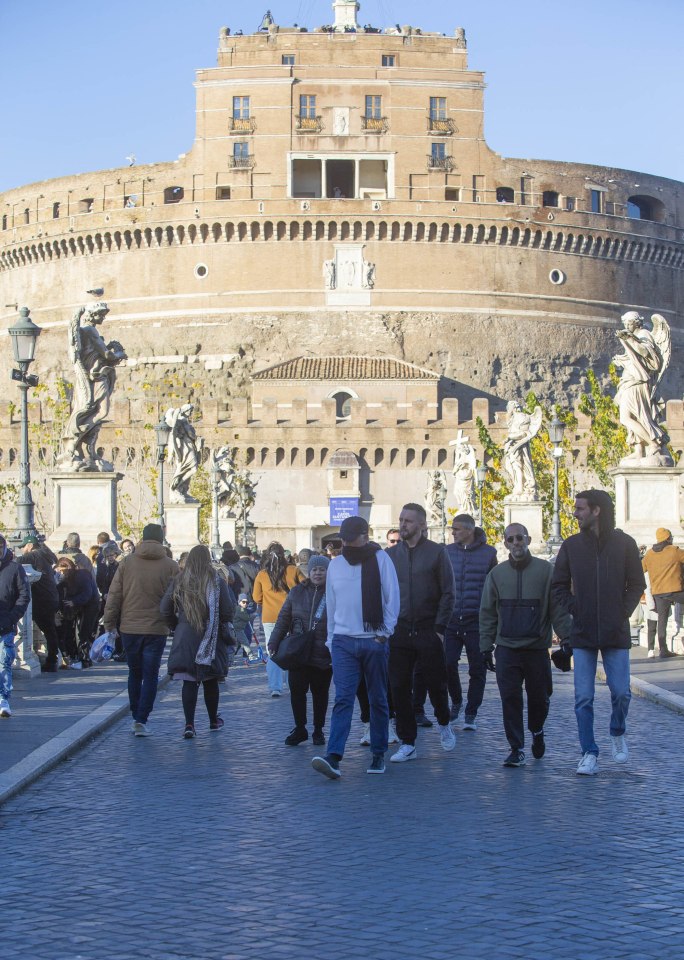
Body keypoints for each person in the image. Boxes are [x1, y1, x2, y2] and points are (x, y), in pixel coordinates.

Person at [552, 490, 645, 775]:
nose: (575, 513)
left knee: (622, 693)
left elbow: (637, 584)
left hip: (615, 630)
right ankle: (589, 752)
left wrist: (622, 612)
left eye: (580, 508)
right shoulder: (571, 545)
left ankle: (617, 731)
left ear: (596, 511)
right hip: (582, 631)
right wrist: (575, 609)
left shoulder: (625, 544)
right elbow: (558, 585)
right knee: (583, 698)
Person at [312, 515, 400, 778]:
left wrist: (384, 633)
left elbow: (392, 597)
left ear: (365, 536)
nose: (347, 544)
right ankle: (334, 756)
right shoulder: (335, 565)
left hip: (373, 640)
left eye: (352, 539)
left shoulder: (381, 559)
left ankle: (378, 754)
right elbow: (332, 604)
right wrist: (331, 640)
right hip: (343, 642)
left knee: (378, 699)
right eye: (344, 540)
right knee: (342, 699)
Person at [479, 523, 572, 767]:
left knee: (539, 698)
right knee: (510, 699)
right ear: (505, 543)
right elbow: (488, 613)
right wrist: (485, 647)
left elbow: (557, 609)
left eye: (520, 538)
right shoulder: (496, 575)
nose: (516, 542)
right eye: (511, 539)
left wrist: (567, 638)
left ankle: (537, 731)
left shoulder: (545, 571)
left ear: (528, 539)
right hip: (507, 649)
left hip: (536, 649)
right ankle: (516, 747)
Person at [386, 503, 456, 762]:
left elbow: (449, 592)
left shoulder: (437, 553)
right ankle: (408, 741)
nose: (403, 524)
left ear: (422, 525)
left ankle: (444, 722)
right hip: (400, 629)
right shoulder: (391, 555)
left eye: (408, 521)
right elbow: (385, 593)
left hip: (429, 628)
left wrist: (439, 628)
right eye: (401, 519)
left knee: (437, 683)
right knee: (398, 687)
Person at [103, 523, 178, 736]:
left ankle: (136, 712)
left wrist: (109, 624)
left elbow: (114, 595)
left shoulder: (127, 563)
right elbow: (177, 598)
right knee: (151, 674)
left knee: (134, 672)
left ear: (142, 539)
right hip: (157, 627)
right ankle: (142, 718)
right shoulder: (170, 565)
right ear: (161, 539)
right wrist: (174, 623)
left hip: (130, 627)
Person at [163, 545, 236, 738]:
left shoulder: (180, 580)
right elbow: (228, 611)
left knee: (189, 681)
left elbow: (164, 608)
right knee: (210, 680)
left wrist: (176, 625)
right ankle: (213, 720)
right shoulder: (217, 581)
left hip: (185, 635)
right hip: (211, 636)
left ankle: (189, 724)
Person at [270, 554, 333, 746]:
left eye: (322, 569)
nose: (318, 573)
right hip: (298, 651)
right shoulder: (296, 592)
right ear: (309, 571)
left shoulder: (334, 592)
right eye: (314, 569)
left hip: (323, 652)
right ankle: (300, 728)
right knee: (297, 692)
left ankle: (318, 730)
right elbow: (283, 619)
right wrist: (274, 641)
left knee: (320, 694)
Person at [443, 513, 497, 728]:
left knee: (478, 668)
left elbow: (494, 587)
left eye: (456, 529)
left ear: (469, 530)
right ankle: (456, 700)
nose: (453, 532)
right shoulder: (446, 552)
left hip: (477, 619)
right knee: (447, 663)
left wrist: (492, 620)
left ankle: (471, 712)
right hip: (452, 618)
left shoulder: (489, 553)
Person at [253, 542, 304, 697]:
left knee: (273, 650)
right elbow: (305, 587)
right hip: (291, 616)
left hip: (269, 616)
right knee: (291, 650)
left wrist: (268, 601)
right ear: (284, 555)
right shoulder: (293, 570)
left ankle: (275, 687)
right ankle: (292, 683)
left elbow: (256, 597)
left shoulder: (262, 574)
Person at [17, 535, 60, 672]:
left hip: (42, 599)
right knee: (50, 630)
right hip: (50, 597)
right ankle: (53, 658)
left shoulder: (33, 555)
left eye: (23, 547)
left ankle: (52, 660)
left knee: (47, 630)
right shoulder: (45, 555)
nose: (22, 550)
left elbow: (15, 562)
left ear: (29, 545)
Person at [0, 532, 31, 717]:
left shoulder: (14, 568)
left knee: (4, 663)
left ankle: (3, 698)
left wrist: (11, 618)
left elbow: (24, 596)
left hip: (5, 624)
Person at [641, 528, 684, 658]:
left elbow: (641, 569)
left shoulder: (649, 554)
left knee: (662, 620)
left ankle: (663, 649)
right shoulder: (674, 550)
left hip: (658, 592)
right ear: (668, 538)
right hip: (675, 589)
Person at [54, 556, 100, 668]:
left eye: (62, 570)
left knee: (84, 631)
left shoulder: (82, 575)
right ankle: (75, 655)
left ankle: (85, 658)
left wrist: (74, 601)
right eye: (59, 571)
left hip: (90, 605)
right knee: (72, 632)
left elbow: (87, 593)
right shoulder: (65, 578)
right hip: (77, 605)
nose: (61, 573)